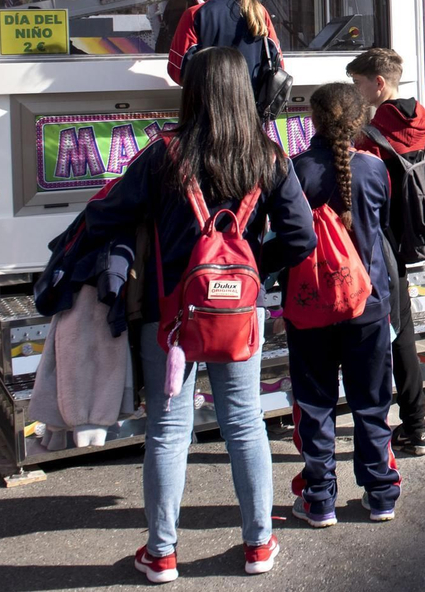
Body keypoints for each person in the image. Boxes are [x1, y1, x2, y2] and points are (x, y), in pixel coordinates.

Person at [85, 48, 317, 582]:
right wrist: (253, 268)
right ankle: (259, 545)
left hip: (170, 321)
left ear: (189, 90)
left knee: (167, 431)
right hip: (240, 317)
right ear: (243, 89)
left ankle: (161, 553)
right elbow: (301, 236)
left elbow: (108, 212)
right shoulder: (269, 157)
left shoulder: (163, 154)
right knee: (244, 423)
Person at [286, 84, 402, 529]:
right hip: (367, 303)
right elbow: (384, 228)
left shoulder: (294, 170)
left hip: (311, 304)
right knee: (371, 404)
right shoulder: (375, 169)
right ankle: (380, 493)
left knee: (315, 406)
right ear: (360, 121)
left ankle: (320, 500)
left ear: (313, 120)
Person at [347, 47, 425, 457]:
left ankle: (412, 426)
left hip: (382, 247)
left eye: (358, 85)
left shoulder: (370, 138)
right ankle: (415, 426)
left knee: (394, 335)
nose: (356, 94)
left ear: (379, 83)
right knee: (403, 331)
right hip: (422, 239)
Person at [167, 0, 284, 101]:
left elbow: (178, 70)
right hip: (250, 113)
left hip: (208, 113)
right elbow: (277, 65)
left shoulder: (195, 14)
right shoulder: (258, 11)